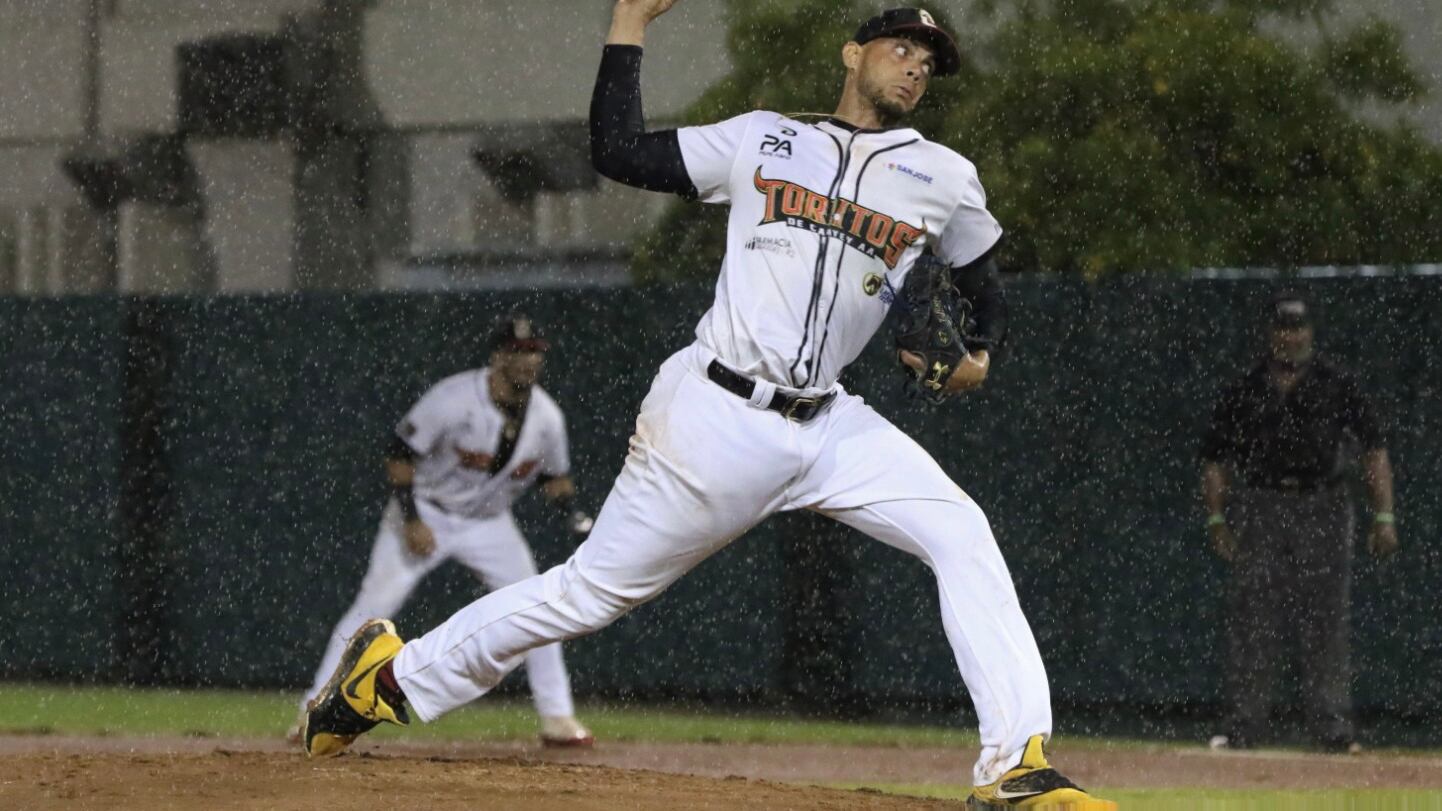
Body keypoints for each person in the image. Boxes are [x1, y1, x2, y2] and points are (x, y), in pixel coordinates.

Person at [303, 4, 1112, 806]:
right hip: (714, 411)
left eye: (928, 62)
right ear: (851, 53)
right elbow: (617, 150)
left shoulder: (943, 174)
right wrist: (629, 22)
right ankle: (390, 676)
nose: (915, 67)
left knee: (961, 530)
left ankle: (1015, 765)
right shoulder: (764, 138)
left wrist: (979, 357)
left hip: (831, 421)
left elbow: (983, 279)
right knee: (588, 592)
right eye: (901, 48)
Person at [293, 315, 596, 749]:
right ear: (497, 357)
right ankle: (314, 705)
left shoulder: (547, 417)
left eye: (534, 352)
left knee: (539, 605)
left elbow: (555, 476)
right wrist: (412, 519)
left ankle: (558, 717)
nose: (528, 359)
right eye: (517, 351)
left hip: (490, 523)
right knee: (374, 605)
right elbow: (399, 454)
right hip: (426, 512)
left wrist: (573, 511)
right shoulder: (453, 399)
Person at [1201, 291, 1398, 753]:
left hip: (1323, 504)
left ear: (1311, 332)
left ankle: (1331, 728)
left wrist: (1384, 513)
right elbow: (1215, 458)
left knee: (1325, 615)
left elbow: (1373, 450)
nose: (1291, 336)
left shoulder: (1337, 384)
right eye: (1284, 328)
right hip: (1262, 503)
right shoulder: (1246, 388)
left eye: (1299, 327)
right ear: (1272, 333)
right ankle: (1245, 726)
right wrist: (1216, 518)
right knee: (1254, 616)